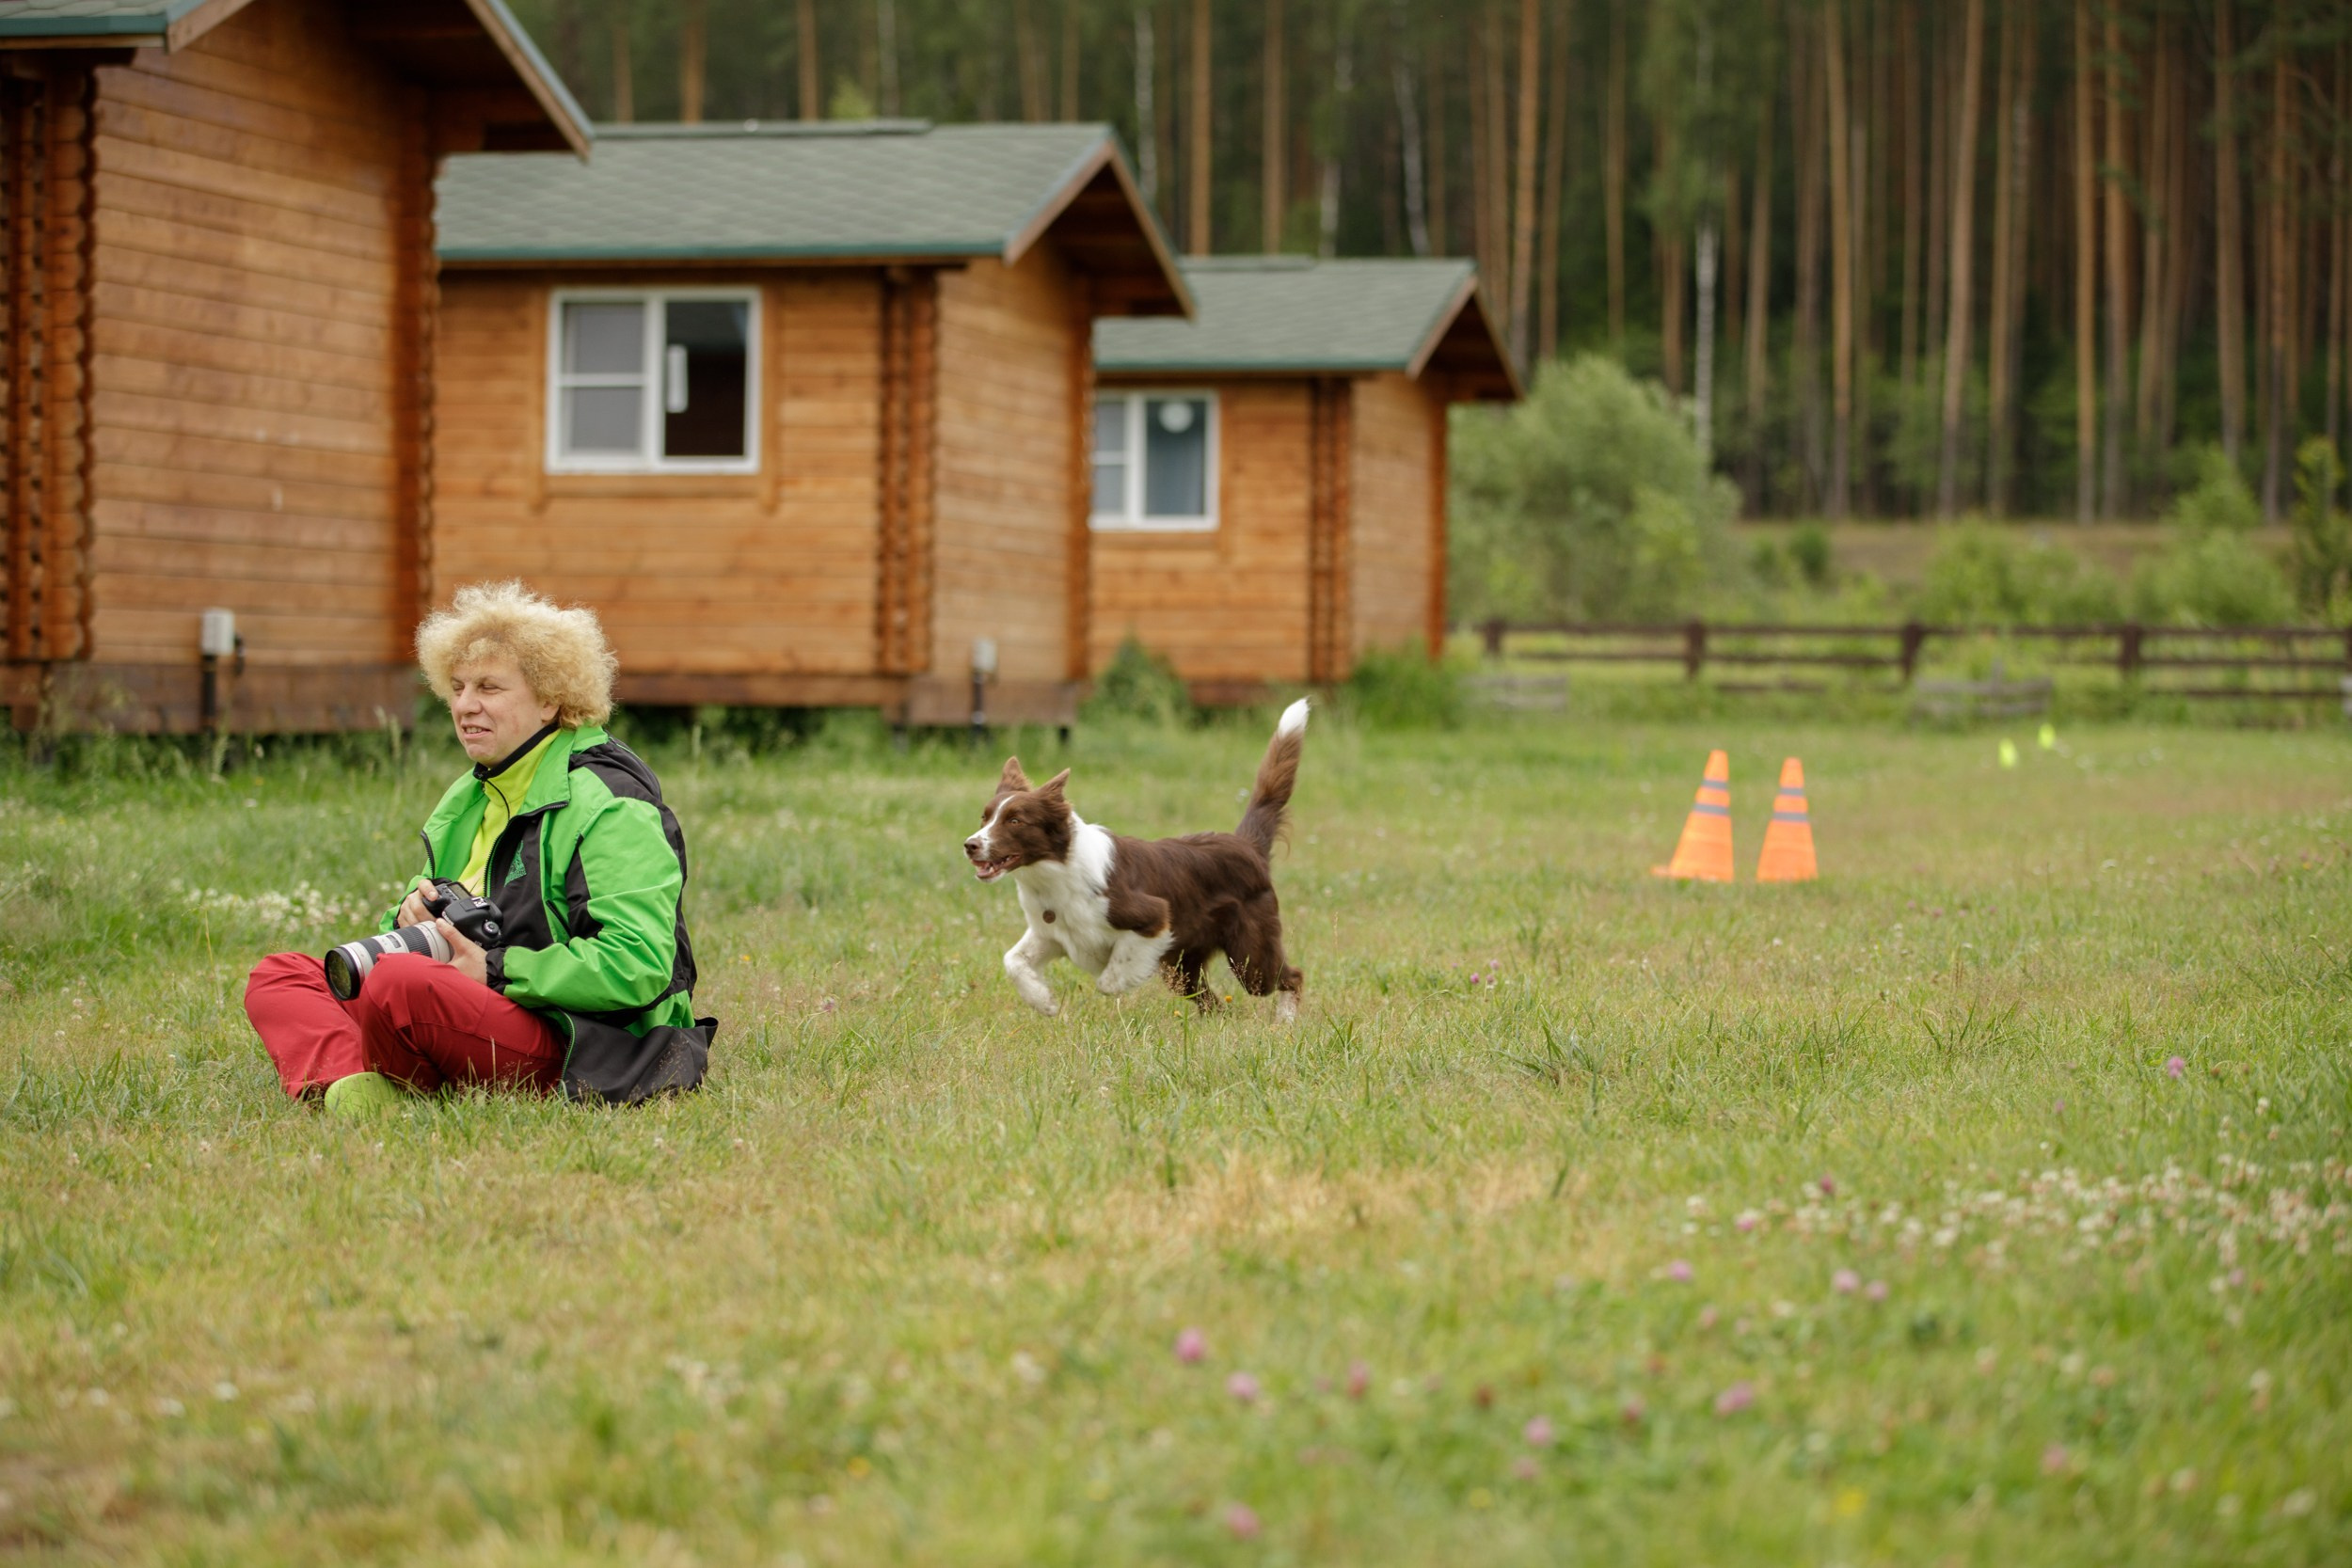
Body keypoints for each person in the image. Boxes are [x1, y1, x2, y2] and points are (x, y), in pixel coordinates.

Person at [245, 581, 712, 1113]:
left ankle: (385, 1079)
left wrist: (495, 969)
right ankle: (351, 1086)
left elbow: (639, 965)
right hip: (470, 1005)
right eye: (458, 686)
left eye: (489, 688)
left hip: (582, 1037)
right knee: (282, 974)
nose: (465, 705)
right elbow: (423, 933)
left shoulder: (610, 803)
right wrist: (405, 917)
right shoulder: (470, 795)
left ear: (549, 700)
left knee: (400, 983)